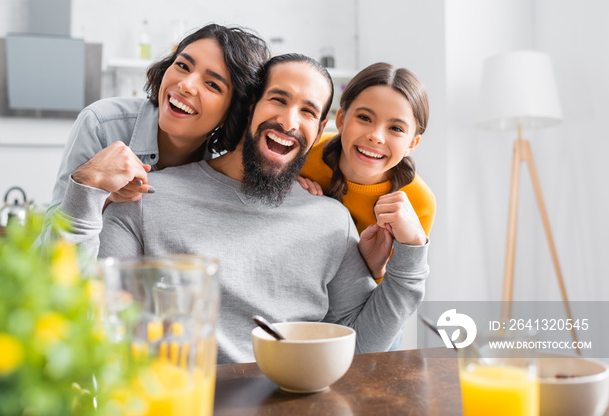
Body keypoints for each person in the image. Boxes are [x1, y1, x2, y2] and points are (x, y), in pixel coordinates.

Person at [58, 54, 429, 364]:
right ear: (249, 106)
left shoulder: (332, 220)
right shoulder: (144, 200)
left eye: (307, 112)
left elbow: (360, 350)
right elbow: (90, 321)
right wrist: (85, 192)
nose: (288, 121)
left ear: (319, 131)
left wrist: (410, 258)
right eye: (278, 99)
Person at [37, 23, 270, 245]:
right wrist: (90, 185)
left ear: (234, 111)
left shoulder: (225, 162)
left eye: (212, 84)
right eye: (183, 66)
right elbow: (46, 257)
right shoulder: (101, 125)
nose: (186, 85)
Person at [299, 62, 435, 280]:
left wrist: (374, 268)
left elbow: (385, 301)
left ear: (412, 144)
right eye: (364, 118)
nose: (376, 136)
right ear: (341, 120)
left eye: (396, 128)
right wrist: (285, 189)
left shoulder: (418, 201)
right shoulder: (304, 153)